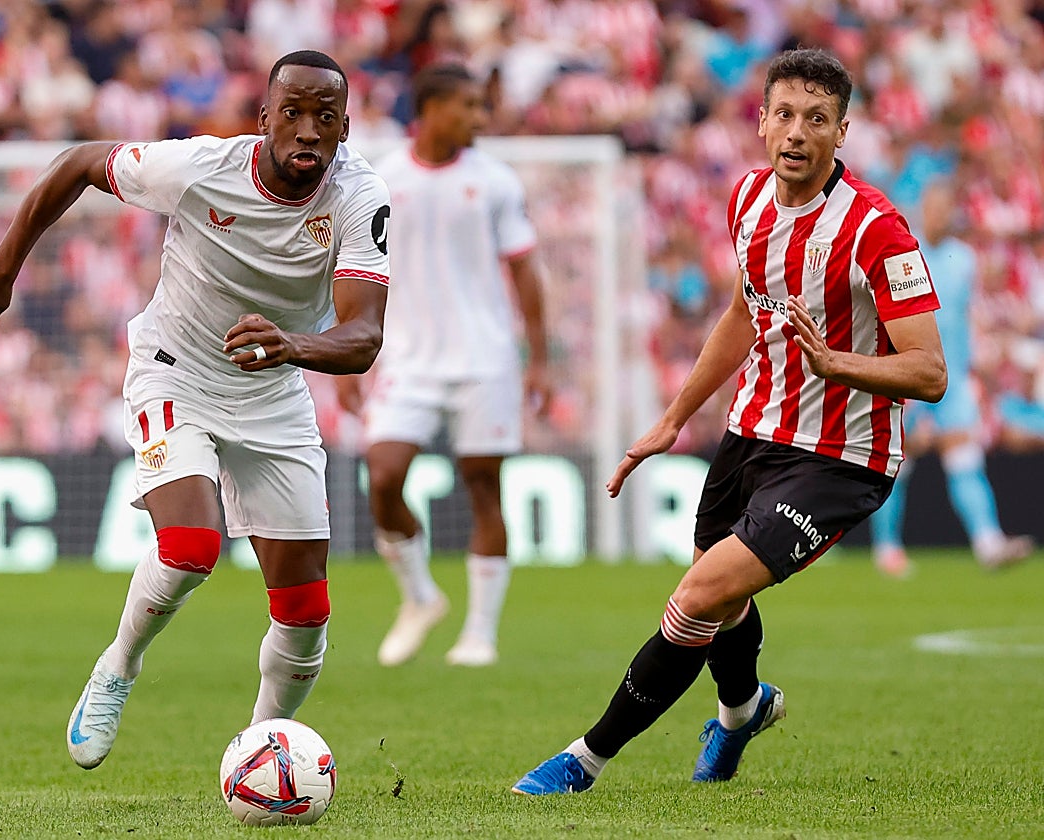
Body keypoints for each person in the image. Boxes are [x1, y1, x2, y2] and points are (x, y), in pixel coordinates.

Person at [513, 48, 947, 794]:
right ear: (760, 123)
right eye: (785, 114)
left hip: (840, 455)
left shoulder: (877, 229)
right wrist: (674, 418)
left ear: (843, 132)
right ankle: (744, 709)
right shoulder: (746, 199)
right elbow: (745, 313)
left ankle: (585, 759)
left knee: (698, 593)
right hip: (750, 434)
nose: (798, 132)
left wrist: (840, 364)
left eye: (818, 119)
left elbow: (929, 371)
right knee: (724, 595)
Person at [0, 50, 391, 770]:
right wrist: (5, 266)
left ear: (346, 128)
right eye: (293, 113)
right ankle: (119, 666)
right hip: (175, 372)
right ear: (264, 119)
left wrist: (291, 345)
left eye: (326, 117)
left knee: (308, 612)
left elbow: (363, 336)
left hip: (273, 391)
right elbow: (75, 164)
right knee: (191, 548)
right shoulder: (199, 167)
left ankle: (261, 749)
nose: (309, 130)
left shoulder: (359, 195)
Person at [336, 63, 551, 668]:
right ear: (429, 109)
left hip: (485, 359)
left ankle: (480, 632)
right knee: (382, 476)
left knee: (485, 487)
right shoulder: (382, 177)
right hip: (406, 359)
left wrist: (538, 358)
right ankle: (420, 596)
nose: (479, 119)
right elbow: (351, 267)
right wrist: (348, 360)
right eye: (468, 107)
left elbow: (525, 273)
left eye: (482, 107)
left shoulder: (496, 182)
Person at [870, 182, 1033, 576]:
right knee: (897, 464)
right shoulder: (907, 254)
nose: (938, 215)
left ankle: (988, 542)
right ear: (923, 211)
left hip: (954, 379)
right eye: (932, 207)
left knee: (965, 459)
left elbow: (964, 317)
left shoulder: (964, 259)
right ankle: (886, 547)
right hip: (910, 376)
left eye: (944, 208)